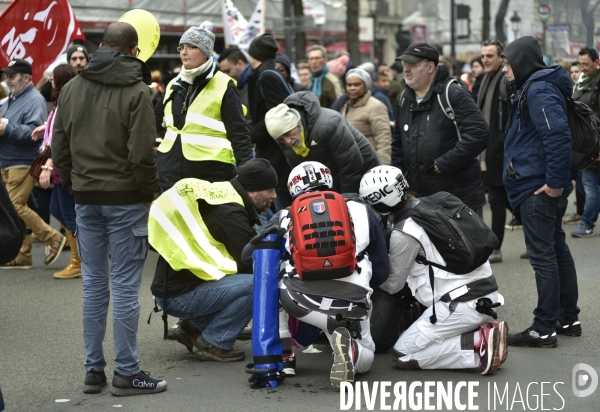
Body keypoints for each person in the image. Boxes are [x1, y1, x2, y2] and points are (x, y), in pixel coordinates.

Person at [52, 22, 166, 395]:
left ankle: (94, 370)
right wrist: (149, 193)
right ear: (134, 51)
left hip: (86, 198)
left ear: (101, 47)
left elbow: (59, 146)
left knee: (95, 287)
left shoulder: (70, 89)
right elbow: (141, 155)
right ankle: (128, 372)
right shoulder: (138, 91)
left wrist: (73, 184)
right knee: (125, 288)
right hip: (126, 199)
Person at [243, 161, 389, 388]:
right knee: (366, 353)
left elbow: (247, 256)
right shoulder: (361, 209)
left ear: (293, 189)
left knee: (271, 271)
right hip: (353, 298)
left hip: (299, 302)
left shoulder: (284, 215)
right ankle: (349, 348)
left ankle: (284, 355)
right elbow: (382, 269)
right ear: (329, 181)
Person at [359, 165, 506, 375]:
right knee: (422, 339)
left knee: (403, 353)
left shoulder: (405, 230)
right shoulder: (433, 203)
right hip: (483, 293)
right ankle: (477, 335)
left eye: (371, 204)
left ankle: (476, 346)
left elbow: (393, 285)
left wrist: (366, 271)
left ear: (381, 203)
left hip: (459, 305)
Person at [149, 158, 278, 360]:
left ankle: (192, 328)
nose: (274, 195)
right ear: (252, 190)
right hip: (179, 296)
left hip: (174, 289)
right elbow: (253, 263)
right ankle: (214, 341)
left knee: (247, 282)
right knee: (261, 283)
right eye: (270, 189)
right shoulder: (231, 214)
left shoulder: (222, 194)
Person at [501, 36, 581, 347]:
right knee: (556, 250)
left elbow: (557, 136)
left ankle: (544, 326)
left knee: (543, 256)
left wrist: (556, 183)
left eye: (508, 63)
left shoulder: (539, 88)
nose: (506, 70)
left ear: (521, 62)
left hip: (538, 187)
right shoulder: (533, 86)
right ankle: (567, 317)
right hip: (538, 183)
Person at [155, 21, 252, 191]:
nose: (184, 52)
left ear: (206, 52)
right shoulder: (172, 84)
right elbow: (152, 121)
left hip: (211, 177)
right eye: (181, 47)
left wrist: (250, 177)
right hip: (170, 175)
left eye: (191, 47)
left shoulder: (224, 84)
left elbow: (239, 135)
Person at [392, 42, 488, 212]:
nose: (406, 69)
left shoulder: (452, 93)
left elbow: (478, 133)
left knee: (463, 240)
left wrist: (444, 163)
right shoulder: (403, 100)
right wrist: (401, 184)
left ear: (430, 67)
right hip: (418, 198)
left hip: (458, 198)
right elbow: (398, 145)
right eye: (405, 64)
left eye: (413, 64)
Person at [0, 59, 66, 270]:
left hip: (23, 162)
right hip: (9, 161)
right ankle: (23, 254)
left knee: (15, 207)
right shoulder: (12, 98)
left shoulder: (35, 100)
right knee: (21, 207)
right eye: (6, 76)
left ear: (26, 78)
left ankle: (53, 237)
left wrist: (6, 128)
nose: (7, 79)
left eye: (12, 76)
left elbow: (37, 133)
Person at [265, 91, 380, 194]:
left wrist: (345, 200)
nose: (288, 141)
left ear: (297, 123)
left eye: (288, 133)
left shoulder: (328, 124)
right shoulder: (285, 140)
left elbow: (350, 167)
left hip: (367, 176)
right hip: (333, 176)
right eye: (281, 139)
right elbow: (301, 173)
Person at [30, 64, 80, 279]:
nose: (50, 83)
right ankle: (81, 256)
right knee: (57, 209)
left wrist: (48, 165)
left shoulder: (67, 103)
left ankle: (79, 261)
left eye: (52, 80)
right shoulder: (61, 104)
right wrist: (45, 127)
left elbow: (61, 139)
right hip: (60, 166)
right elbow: (54, 131)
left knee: (69, 214)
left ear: (60, 81)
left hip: (64, 166)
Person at [246, 34, 294, 210]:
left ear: (253, 53)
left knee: (282, 208)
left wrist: (251, 135)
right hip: (274, 151)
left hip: (277, 153)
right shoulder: (268, 73)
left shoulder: (267, 76)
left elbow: (276, 116)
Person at [477, 39, 511, 263]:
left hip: (500, 150)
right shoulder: (485, 80)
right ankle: (538, 234)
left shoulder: (505, 82)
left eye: (490, 56)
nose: (485, 60)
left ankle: (496, 246)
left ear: (501, 58)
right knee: (507, 199)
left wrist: (500, 143)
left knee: (498, 199)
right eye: (483, 56)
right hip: (489, 149)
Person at [571, 47, 600, 238]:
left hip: (595, 144)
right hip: (584, 144)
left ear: (597, 63)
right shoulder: (581, 82)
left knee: (590, 186)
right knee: (584, 185)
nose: (582, 68)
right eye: (580, 64)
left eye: (586, 64)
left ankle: (587, 223)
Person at [340, 68, 392, 165]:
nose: (352, 88)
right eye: (349, 85)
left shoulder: (376, 106)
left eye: (357, 84)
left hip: (369, 163)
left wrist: (382, 167)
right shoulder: (346, 105)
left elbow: (383, 140)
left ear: (366, 86)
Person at [217, 47, 253, 126]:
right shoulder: (237, 86)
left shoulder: (255, 83)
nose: (225, 75)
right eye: (223, 72)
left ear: (240, 64)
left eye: (228, 71)